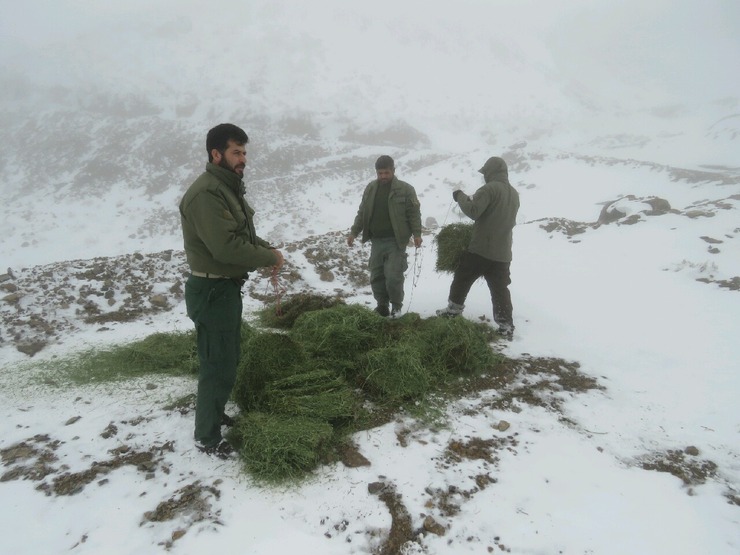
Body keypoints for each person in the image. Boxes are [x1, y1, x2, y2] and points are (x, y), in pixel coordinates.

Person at [179, 123, 284, 458]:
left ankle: (213, 412)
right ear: (216, 154)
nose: (243, 160)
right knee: (216, 364)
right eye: (236, 153)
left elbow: (242, 234)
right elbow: (226, 247)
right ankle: (206, 436)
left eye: (244, 153)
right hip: (212, 291)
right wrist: (268, 257)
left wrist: (268, 249)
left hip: (224, 290)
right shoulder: (206, 194)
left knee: (227, 359)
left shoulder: (226, 188)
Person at [436, 156, 519, 340]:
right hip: (503, 252)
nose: (484, 176)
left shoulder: (489, 189)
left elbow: (474, 211)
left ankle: (453, 311)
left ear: (490, 172)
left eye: (485, 173)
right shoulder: (514, 193)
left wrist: (460, 196)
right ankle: (506, 325)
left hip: (481, 248)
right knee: (500, 289)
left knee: (462, 278)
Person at [347, 155, 422, 317]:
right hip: (376, 241)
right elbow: (362, 212)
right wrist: (354, 232)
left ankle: (396, 307)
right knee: (377, 275)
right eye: (380, 173)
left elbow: (414, 213)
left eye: (386, 173)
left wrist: (417, 234)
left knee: (394, 276)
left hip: (396, 241)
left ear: (393, 171)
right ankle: (382, 305)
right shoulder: (370, 188)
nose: (383, 176)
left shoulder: (406, 189)